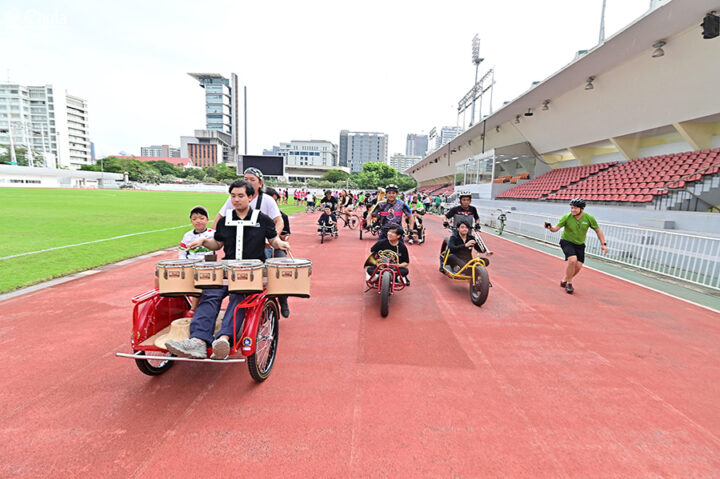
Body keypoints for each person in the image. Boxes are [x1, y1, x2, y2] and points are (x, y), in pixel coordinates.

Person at [165, 180, 291, 360]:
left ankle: (224, 339)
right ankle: (199, 341)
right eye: (233, 196)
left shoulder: (262, 219)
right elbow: (217, 244)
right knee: (210, 294)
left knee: (238, 297)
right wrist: (203, 241)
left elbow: (273, 241)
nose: (236, 199)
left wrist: (281, 243)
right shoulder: (225, 221)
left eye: (241, 196)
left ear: (250, 197)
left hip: (251, 271)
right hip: (226, 268)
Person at [545, 198, 608, 294]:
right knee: (572, 260)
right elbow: (555, 229)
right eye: (572, 208)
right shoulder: (566, 217)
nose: (573, 210)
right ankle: (569, 284)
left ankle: (565, 279)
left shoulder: (589, 218)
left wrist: (603, 244)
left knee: (578, 266)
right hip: (566, 241)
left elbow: (598, 231)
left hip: (580, 244)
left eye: (575, 208)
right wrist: (550, 228)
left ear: (582, 209)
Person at [213, 167, 283, 238]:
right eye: (245, 179)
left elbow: (279, 221)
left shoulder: (268, 200)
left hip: (260, 243)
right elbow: (219, 217)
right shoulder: (234, 199)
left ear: (260, 183)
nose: (248, 182)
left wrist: (273, 239)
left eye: (252, 180)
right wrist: (212, 235)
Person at [176, 205, 215, 317]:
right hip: (190, 264)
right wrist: (184, 264)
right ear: (191, 221)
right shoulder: (187, 236)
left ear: (207, 220)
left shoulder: (212, 233)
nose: (198, 221)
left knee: (200, 282)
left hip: (206, 266)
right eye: (194, 219)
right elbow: (182, 252)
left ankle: (193, 309)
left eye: (201, 218)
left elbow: (218, 245)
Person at [264, 187, 292, 317]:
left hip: (276, 248)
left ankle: (283, 301)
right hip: (258, 247)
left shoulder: (283, 217)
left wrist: (281, 239)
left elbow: (286, 235)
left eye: (275, 201)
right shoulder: (255, 216)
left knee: (282, 270)